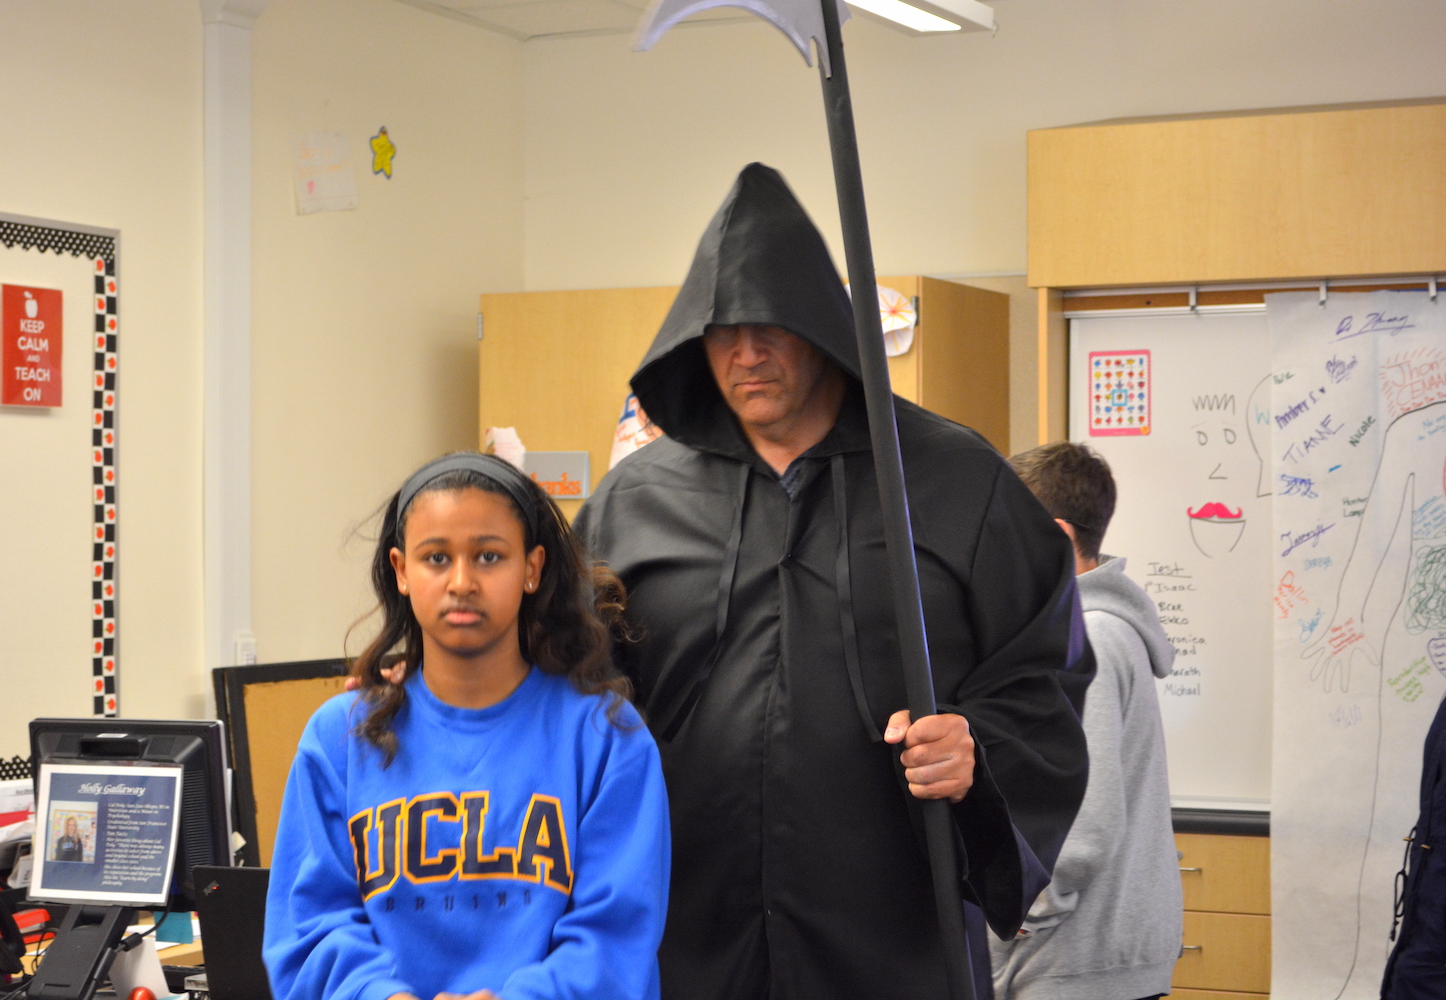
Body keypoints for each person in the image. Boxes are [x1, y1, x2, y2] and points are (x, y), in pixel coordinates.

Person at [573, 162, 1095, 1000]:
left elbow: (1044, 676)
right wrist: (417, 688)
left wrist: (977, 748)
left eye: (769, 327)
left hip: (892, 942)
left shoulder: (956, 482)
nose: (746, 355)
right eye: (722, 332)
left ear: (818, 328)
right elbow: (559, 682)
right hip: (686, 935)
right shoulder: (632, 503)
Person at [263, 452, 670, 1000]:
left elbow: (617, 937)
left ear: (531, 568)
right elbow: (309, 928)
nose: (462, 581)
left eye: (488, 556)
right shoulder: (339, 737)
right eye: (436, 558)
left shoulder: (605, 738)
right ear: (401, 571)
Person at [990, 441, 1182, 1000]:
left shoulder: (1087, 638)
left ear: (1054, 536)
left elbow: (1084, 820)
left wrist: (1019, 907)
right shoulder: (1095, 630)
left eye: (1003, 531)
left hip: (1076, 962)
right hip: (1087, 958)